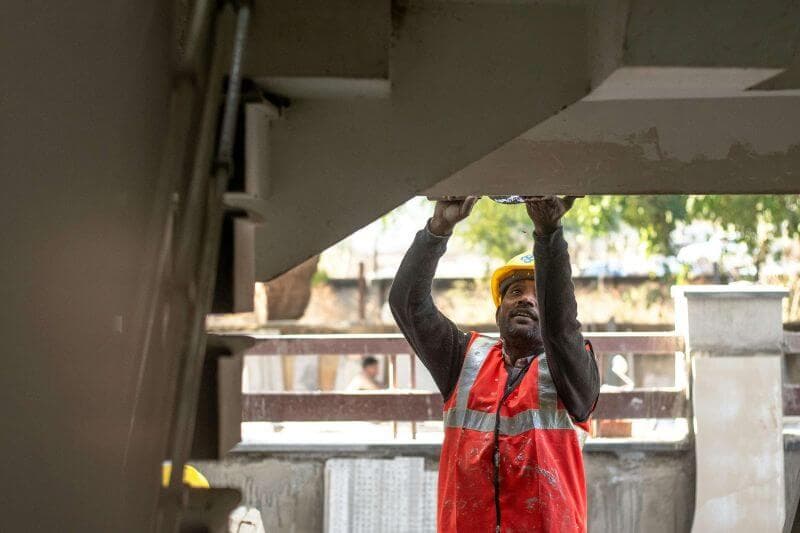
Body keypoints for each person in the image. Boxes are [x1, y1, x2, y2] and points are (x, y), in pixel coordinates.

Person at [389, 195, 600, 532]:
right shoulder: (463, 359)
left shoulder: (573, 370)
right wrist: (437, 230)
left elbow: (561, 327)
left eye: (536, 294)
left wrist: (548, 235)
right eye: (515, 291)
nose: (526, 299)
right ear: (498, 311)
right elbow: (407, 303)